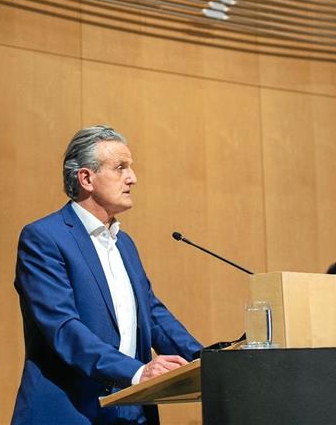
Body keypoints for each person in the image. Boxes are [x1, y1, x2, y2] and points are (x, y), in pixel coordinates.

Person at [11, 125, 202, 425]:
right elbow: (64, 330)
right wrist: (137, 372)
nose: (133, 178)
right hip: (69, 412)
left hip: (131, 411)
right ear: (86, 178)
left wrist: (209, 361)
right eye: (120, 168)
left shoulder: (124, 244)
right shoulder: (44, 238)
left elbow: (152, 316)